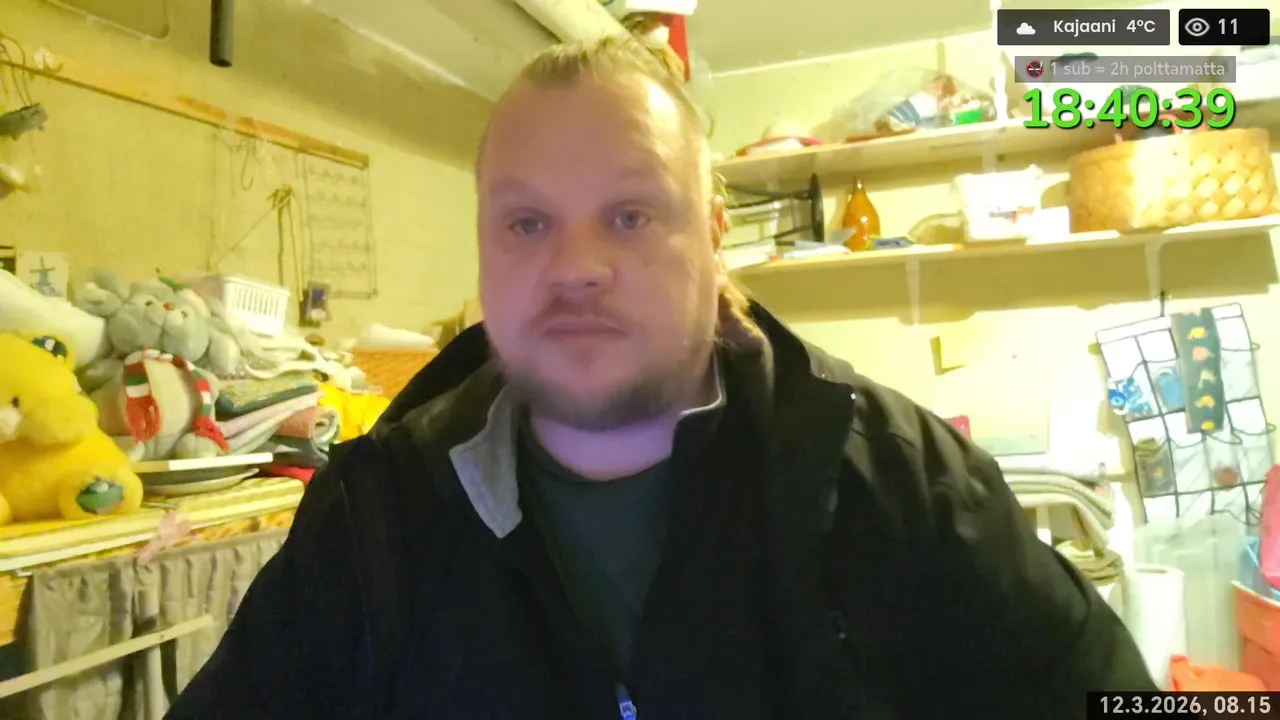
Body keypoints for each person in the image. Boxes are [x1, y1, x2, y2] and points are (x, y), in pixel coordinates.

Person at [168, 36, 1154, 719]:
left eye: (630, 215)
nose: (575, 267)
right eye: (526, 222)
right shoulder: (374, 519)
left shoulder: (902, 483)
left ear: (715, 240)